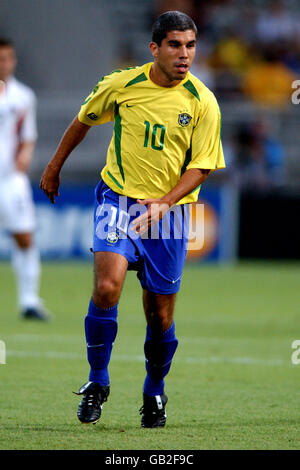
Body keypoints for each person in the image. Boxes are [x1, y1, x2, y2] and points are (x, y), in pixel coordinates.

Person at [40, 11, 225, 427]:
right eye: (175, 45)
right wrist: (53, 167)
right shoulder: (121, 84)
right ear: (154, 48)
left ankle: (154, 391)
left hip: (171, 214)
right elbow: (82, 121)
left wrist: (165, 201)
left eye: (191, 45)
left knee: (160, 315)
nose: (185, 55)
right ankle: (97, 381)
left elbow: (204, 165)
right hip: (119, 200)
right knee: (107, 287)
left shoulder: (203, 100)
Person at [0, 37, 50, 321]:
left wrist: (25, 156)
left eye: (8, 57)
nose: (4, 63)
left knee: (24, 237)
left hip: (9, 180)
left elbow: (28, 136)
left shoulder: (23, 96)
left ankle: (29, 301)